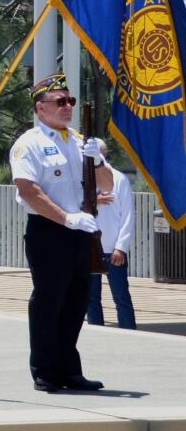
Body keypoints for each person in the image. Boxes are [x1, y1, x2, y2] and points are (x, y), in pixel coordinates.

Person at [10, 72, 114, 392]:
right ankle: (44, 368)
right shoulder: (30, 143)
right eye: (60, 102)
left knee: (76, 301)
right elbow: (29, 191)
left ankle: (69, 369)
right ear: (40, 108)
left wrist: (97, 162)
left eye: (70, 101)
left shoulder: (81, 141)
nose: (68, 107)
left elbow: (107, 185)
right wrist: (67, 219)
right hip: (49, 229)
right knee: (48, 300)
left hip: (80, 233)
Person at [87, 140, 137, 330]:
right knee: (91, 297)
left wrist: (121, 247)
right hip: (90, 248)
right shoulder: (82, 180)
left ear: (103, 155)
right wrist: (94, 201)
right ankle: (95, 331)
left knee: (121, 295)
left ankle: (128, 331)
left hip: (113, 249)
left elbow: (128, 216)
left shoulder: (119, 179)